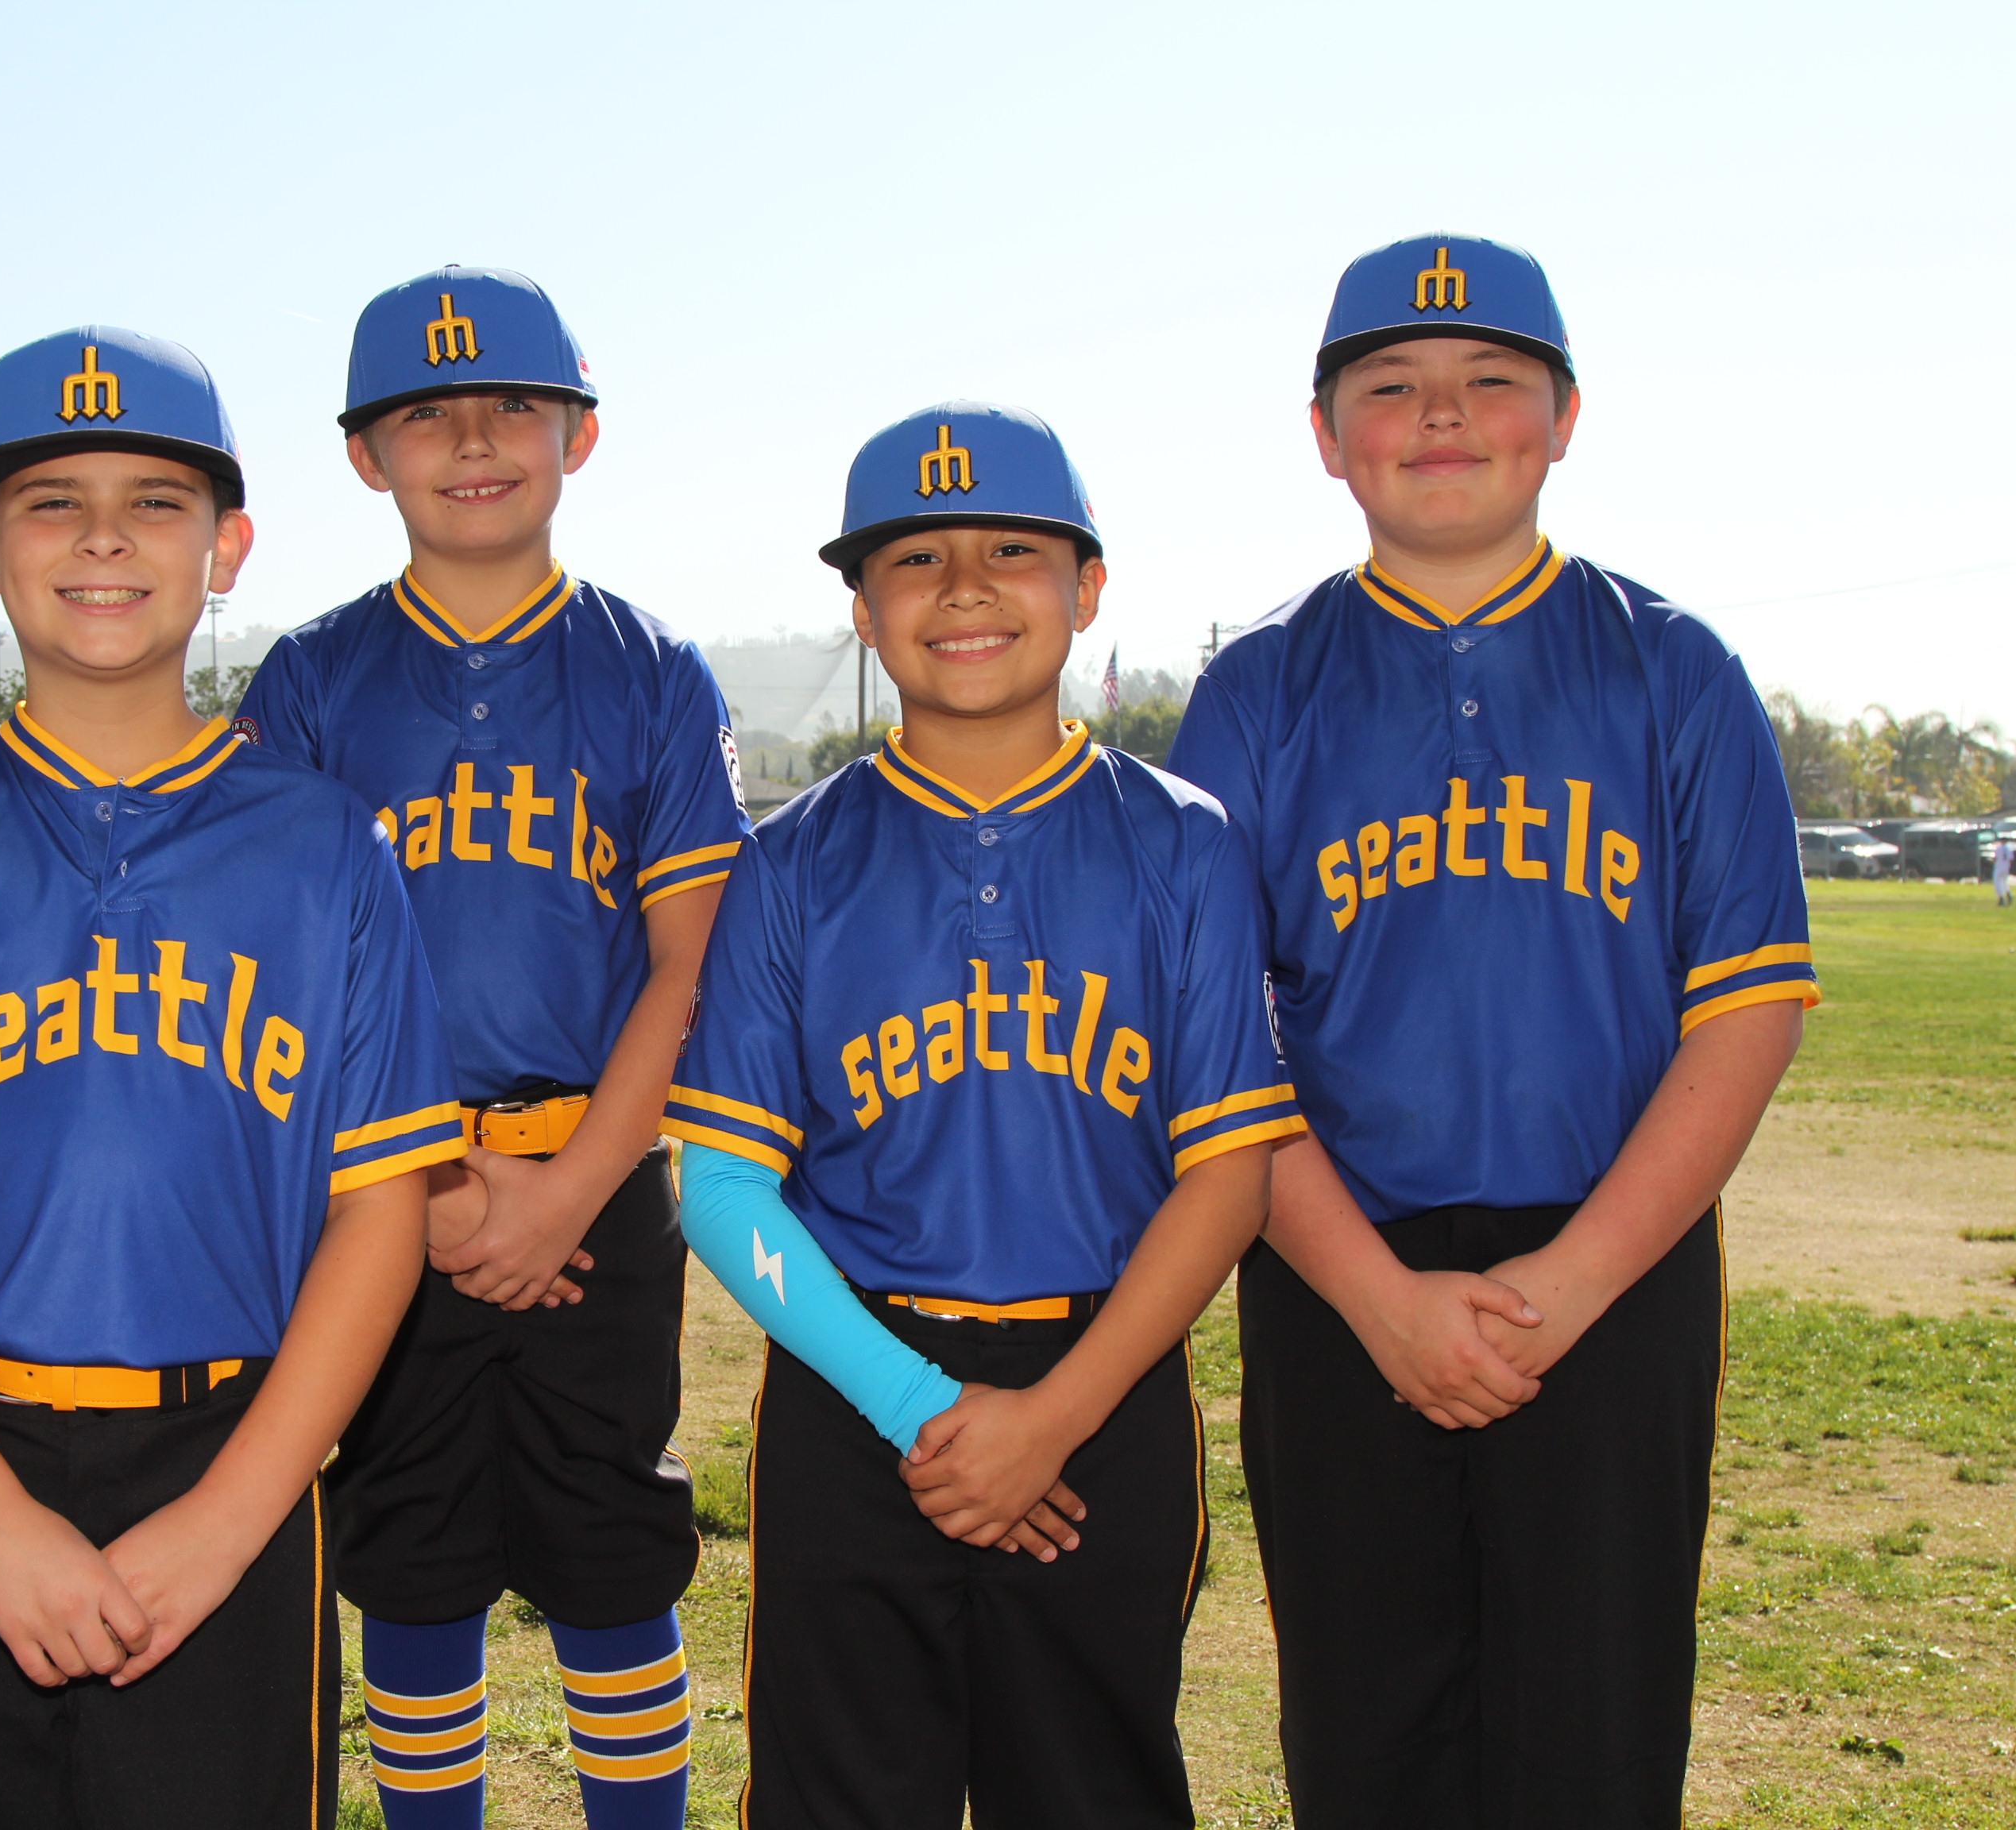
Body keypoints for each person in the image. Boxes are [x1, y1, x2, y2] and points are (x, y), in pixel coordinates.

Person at [0, 327, 463, 1829]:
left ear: (227, 547)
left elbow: (380, 1216)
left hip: (234, 1447)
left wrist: (227, 1520)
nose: (105, 537)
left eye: (156, 501)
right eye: (51, 501)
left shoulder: (328, 844)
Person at [1164, 235, 1820, 1828]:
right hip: (1337, 1263)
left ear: (1567, 416)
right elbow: (1216, 1048)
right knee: (1364, 1724)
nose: (1443, 415)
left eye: (1491, 381)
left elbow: (1748, 1007)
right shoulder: (1256, 691)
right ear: (1326, 436)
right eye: (1392, 386)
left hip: (1612, 1265)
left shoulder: (1674, 668)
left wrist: (1572, 1284)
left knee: (1595, 1733)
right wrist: (1379, 1297)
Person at [662, 403, 1301, 1829]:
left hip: (1103, 1383)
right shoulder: (790, 860)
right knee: (837, 1796)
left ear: (1088, 587)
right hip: (856, 1383)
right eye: (915, 557)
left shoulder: (1185, 842)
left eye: (1013, 549)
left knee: (1091, 1788)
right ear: (861, 609)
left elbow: (1228, 1181)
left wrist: (1051, 1417)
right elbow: (721, 1188)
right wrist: (925, 1408)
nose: (963, 587)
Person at [237, 267, 750, 1830]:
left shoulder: (648, 669)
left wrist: (569, 1188)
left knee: (613, 1554)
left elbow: (690, 965)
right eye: (425, 413)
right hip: (385, 1193)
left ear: (578, 434)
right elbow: (283, 973)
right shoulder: (312, 680)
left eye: (512, 405)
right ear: (363, 454)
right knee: (410, 1557)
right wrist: (444, 1191)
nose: (472, 439)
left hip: (600, 1183)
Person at [1994, 832, 2016, 907]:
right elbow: (2011, 859)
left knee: (1997, 883)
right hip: (2006, 867)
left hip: (1999, 867)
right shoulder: (2009, 849)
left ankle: (2001, 898)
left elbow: (1996, 858)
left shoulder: (1999, 848)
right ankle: (2008, 895)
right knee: (2004, 882)